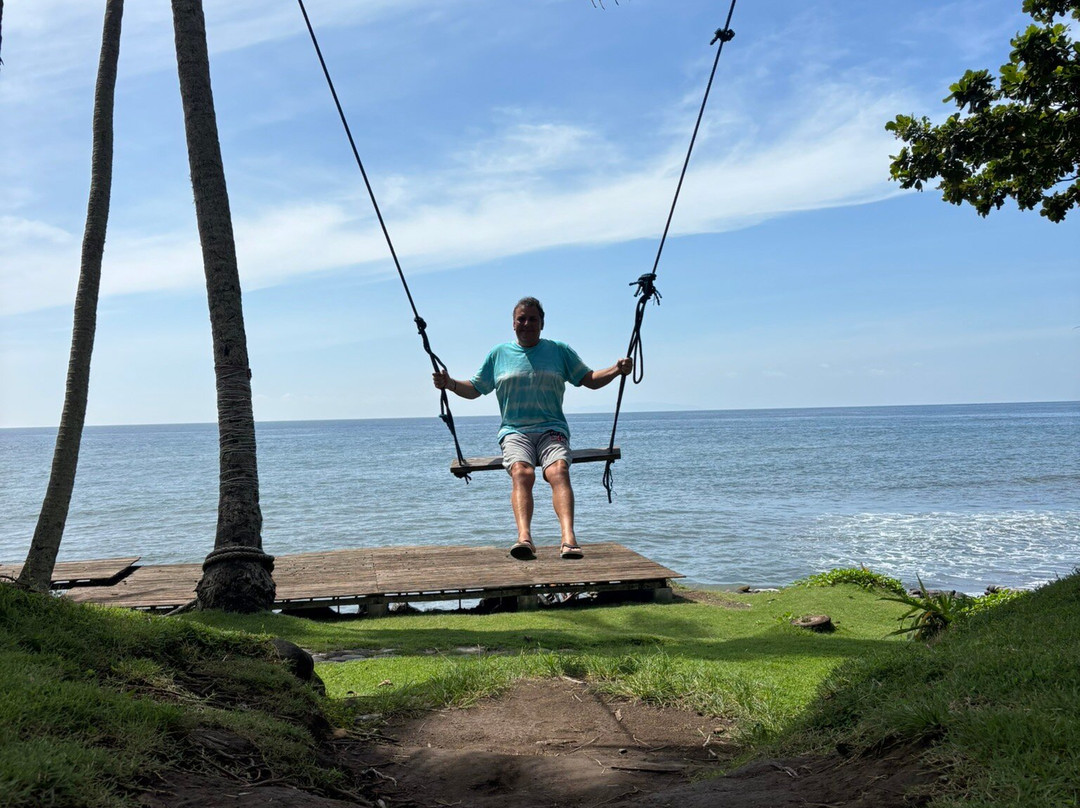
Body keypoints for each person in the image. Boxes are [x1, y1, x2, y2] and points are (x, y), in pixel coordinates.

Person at [433, 297, 633, 561]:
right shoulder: (499, 354)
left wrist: (617, 370)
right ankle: (524, 539)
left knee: (558, 470)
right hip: (515, 431)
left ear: (542, 323)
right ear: (513, 323)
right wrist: (449, 383)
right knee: (522, 472)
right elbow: (475, 388)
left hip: (552, 429)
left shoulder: (559, 351)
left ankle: (569, 539)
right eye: (521, 319)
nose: (526, 324)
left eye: (533, 319)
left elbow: (589, 380)